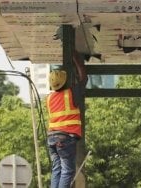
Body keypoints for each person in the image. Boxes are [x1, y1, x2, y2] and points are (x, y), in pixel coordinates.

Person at [46, 50, 87, 188]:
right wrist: (76, 57)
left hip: (51, 138)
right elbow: (83, 78)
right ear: (65, 81)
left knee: (56, 169)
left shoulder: (49, 98)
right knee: (67, 170)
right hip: (65, 138)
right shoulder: (71, 94)